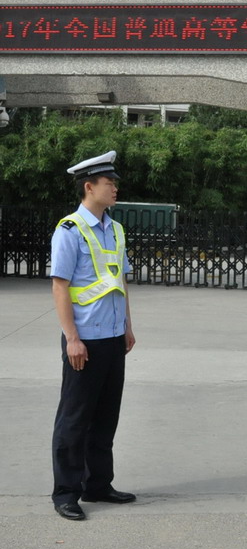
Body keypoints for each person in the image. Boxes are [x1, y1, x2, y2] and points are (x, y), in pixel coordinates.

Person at [50, 151, 137, 521]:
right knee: (74, 420)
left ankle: (98, 484)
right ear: (89, 187)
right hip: (84, 340)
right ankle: (66, 493)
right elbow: (60, 286)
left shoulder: (115, 229)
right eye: (108, 182)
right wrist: (71, 337)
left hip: (113, 338)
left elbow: (119, 281)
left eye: (114, 182)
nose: (115, 188)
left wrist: (128, 326)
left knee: (105, 418)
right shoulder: (69, 230)